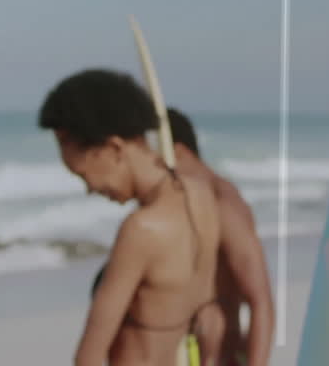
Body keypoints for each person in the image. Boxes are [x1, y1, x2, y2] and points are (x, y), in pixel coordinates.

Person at [39, 68, 222, 366]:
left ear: (113, 148)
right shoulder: (202, 197)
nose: (89, 189)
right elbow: (206, 314)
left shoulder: (142, 230)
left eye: (84, 175)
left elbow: (88, 356)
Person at [143, 107, 276, 366]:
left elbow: (261, 301)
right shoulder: (179, 203)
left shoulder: (222, 202)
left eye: (154, 161)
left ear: (177, 152)